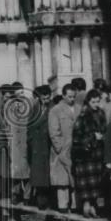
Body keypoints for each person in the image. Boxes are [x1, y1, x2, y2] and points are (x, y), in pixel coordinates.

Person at [72, 89, 108, 217]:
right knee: (87, 182)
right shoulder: (82, 117)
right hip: (85, 156)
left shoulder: (101, 114)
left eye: (98, 101)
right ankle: (86, 205)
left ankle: (93, 205)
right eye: (93, 102)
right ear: (88, 102)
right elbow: (76, 138)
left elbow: (105, 131)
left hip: (98, 154)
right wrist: (93, 137)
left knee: (96, 182)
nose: (96, 104)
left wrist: (103, 137)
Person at [46, 84, 78, 212]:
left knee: (74, 180)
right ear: (63, 95)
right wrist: (61, 149)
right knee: (62, 182)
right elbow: (54, 132)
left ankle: (75, 206)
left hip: (75, 150)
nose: (72, 99)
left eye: (74, 96)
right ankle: (63, 206)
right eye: (69, 96)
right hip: (61, 152)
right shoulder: (56, 110)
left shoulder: (78, 108)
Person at [26, 85, 53, 211]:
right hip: (37, 146)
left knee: (47, 174)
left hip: (48, 145)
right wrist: (31, 141)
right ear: (39, 98)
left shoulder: (53, 108)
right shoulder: (34, 109)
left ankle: (46, 198)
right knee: (38, 174)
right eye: (43, 98)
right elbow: (29, 126)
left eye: (48, 98)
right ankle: (40, 198)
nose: (46, 100)